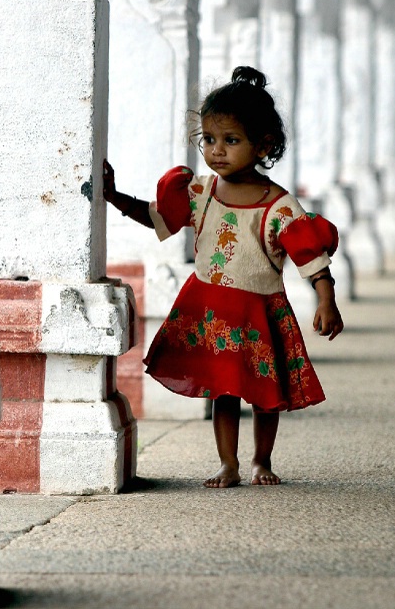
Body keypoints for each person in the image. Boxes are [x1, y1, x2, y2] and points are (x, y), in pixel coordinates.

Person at [103, 66, 344, 489]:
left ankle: (261, 460)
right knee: (224, 390)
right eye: (209, 140)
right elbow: (160, 219)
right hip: (211, 308)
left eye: (230, 141)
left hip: (259, 311)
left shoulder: (281, 205)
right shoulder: (199, 192)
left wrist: (326, 299)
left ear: (263, 145)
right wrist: (116, 197)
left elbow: (310, 255)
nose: (217, 151)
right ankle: (228, 464)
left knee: (266, 394)